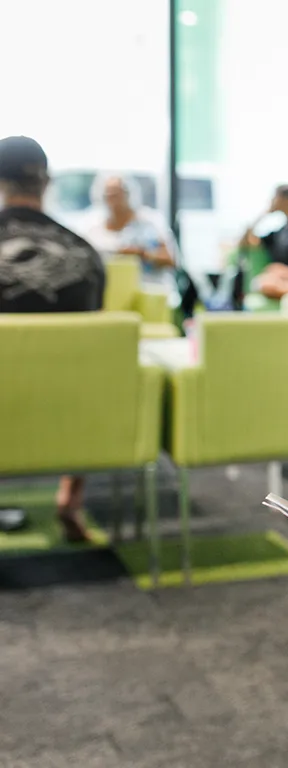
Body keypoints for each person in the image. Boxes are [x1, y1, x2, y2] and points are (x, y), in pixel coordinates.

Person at [0, 136, 106, 543]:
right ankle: (70, 499)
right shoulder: (86, 255)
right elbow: (92, 352)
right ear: (45, 184)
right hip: (68, 418)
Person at [81, 174, 180, 304]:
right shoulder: (93, 228)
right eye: (109, 195)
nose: (113, 201)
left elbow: (171, 260)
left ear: (129, 194)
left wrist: (141, 254)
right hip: (112, 295)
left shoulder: (150, 222)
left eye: (117, 194)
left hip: (151, 293)